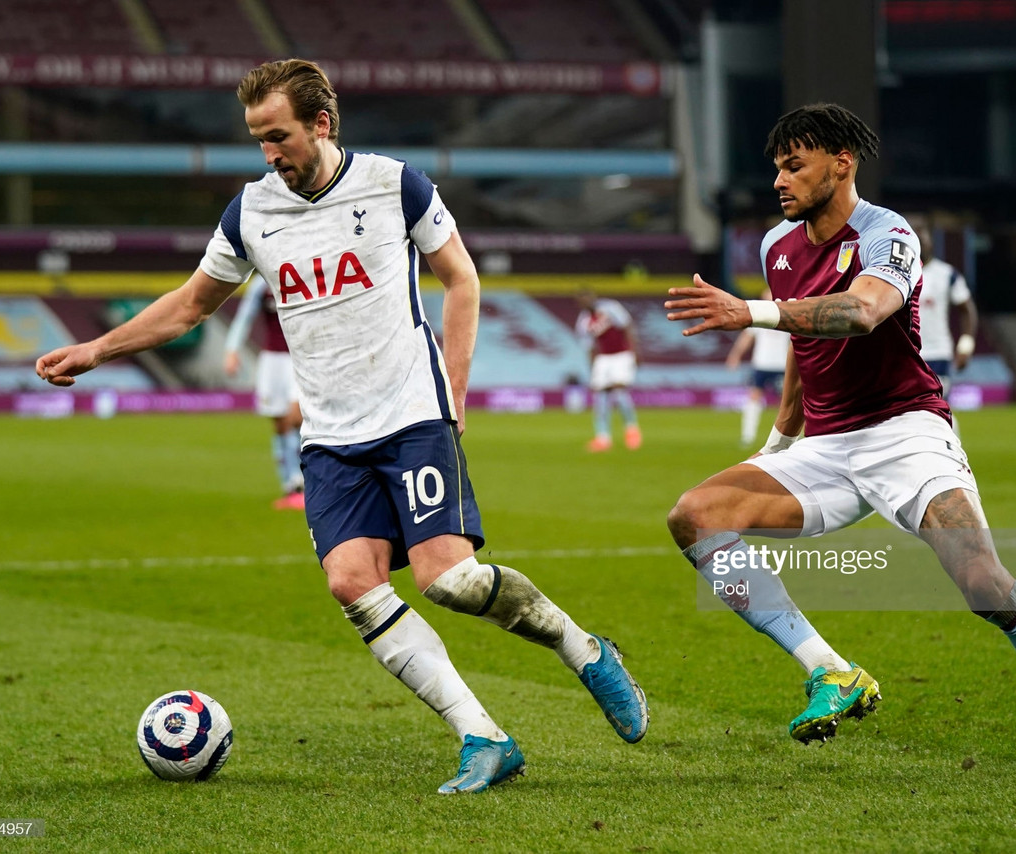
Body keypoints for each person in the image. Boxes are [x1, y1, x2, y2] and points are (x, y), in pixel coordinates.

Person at [35, 58, 648, 794]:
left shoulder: (394, 184)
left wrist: (453, 387)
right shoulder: (251, 211)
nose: (268, 153)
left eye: (278, 135)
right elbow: (193, 304)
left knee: (448, 580)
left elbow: (462, 276)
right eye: (257, 139)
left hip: (411, 412)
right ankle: (483, 736)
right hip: (330, 434)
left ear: (321, 124)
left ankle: (582, 649)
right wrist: (97, 348)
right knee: (351, 583)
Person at [662, 103, 1016, 780]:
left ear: (843, 162)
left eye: (795, 164)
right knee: (694, 516)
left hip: (906, 434)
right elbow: (806, 349)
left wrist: (749, 312)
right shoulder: (778, 248)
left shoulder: (886, 233)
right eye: (776, 166)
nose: (780, 180)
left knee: (985, 584)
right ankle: (831, 671)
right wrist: (778, 443)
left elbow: (860, 313)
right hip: (826, 449)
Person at [223, 272, 306, 509]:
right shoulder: (261, 285)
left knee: (296, 417)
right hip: (272, 361)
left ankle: (307, 480)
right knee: (280, 423)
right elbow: (244, 318)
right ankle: (291, 484)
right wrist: (232, 350)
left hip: (298, 357)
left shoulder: (303, 275)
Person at [915, 222, 978, 401]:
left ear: (931, 244)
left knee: (937, 408)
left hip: (937, 354)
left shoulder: (947, 274)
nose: (920, 245)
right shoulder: (898, 274)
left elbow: (967, 310)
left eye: (923, 240)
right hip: (907, 352)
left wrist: (966, 346)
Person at [575, 289, 642, 451]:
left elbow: (627, 326)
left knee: (619, 392)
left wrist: (635, 351)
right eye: (582, 299)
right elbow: (589, 347)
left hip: (621, 354)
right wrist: (593, 369)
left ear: (593, 297)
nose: (585, 301)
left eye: (587, 297)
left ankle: (631, 430)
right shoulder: (583, 322)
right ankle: (603, 438)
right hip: (603, 359)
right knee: (600, 397)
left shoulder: (610, 308)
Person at [724, 289, 791, 446]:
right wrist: (735, 355)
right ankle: (748, 435)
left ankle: (787, 438)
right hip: (761, 364)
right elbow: (746, 338)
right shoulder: (759, 318)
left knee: (786, 403)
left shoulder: (787, 317)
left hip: (781, 365)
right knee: (753, 397)